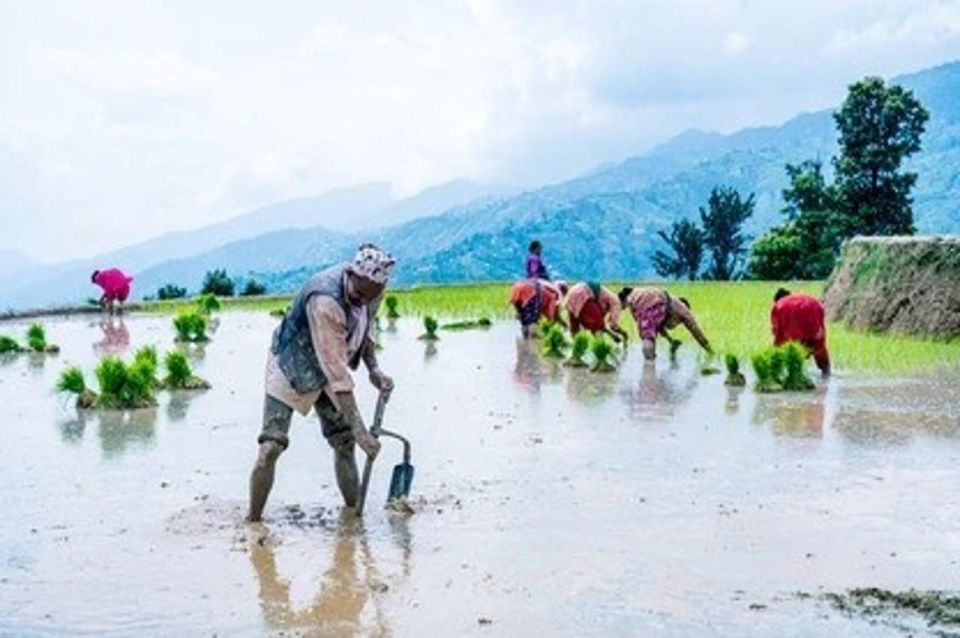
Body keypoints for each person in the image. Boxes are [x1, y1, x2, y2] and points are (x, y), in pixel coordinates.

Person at [247, 244, 396, 522]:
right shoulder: (325, 299)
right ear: (351, 274)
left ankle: (354, 518)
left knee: (344, 443)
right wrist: (363, 432)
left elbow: (367, 327)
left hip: (333, 359)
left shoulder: (372, 290)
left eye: (370, 298)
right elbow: (338, 375)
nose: (363, 301)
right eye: (359, 295)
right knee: (271, 447)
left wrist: (373, 368)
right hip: (293, 363)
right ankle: (253, 522)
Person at [618, 287, 712, 361]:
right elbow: (696, 331)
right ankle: (649, 368)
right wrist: (709, 351)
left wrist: (670, 341)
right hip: (655, 300)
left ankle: (649, 363)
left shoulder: (666, 310)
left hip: (641, 300)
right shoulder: (683, 310)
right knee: (648, 339)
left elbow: (656, 326)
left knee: (648, 335)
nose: (679, 323)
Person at [770, 287, 830, 376]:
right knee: (818, 343)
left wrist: (774, 361)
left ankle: (791, 371)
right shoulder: (804, 299)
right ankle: (826, 372)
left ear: (777, 300)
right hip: (815, 305)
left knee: (791, 342)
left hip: (802, 309)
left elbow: (779, 335)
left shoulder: (779, 305)